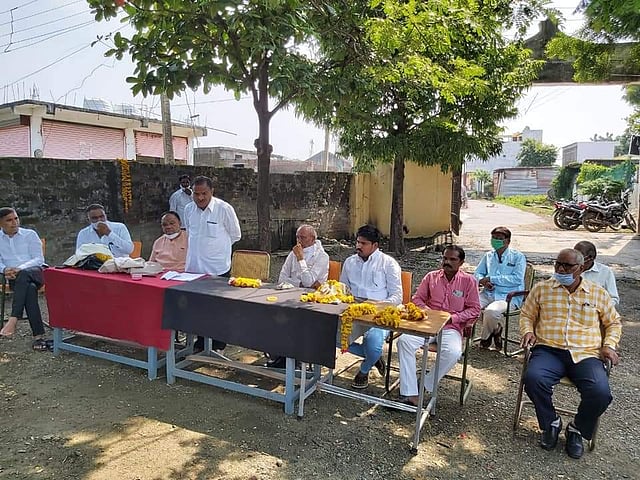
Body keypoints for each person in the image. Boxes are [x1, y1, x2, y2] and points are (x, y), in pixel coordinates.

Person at [520, 248, 621, 460]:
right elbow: (527, 314)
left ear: (581, 268)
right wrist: (528, 331)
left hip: (586, 354)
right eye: (558, 264)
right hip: (549, 349)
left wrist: (609, 345)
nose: (561, 269)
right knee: (533, 378)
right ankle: (551, 423)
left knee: (601, 393)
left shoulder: (597, 293)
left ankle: (577, 429)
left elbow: (613, 323)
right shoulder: (542, 289)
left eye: (567, 266)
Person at [397, 245, 481, 406]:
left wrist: (452, 318)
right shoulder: (431, 277)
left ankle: (424, 385)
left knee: (453, 352)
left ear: (461, 262)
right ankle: (410, 393)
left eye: (452, 259)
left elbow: (475, 309)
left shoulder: (468, 281)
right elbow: (417, 299)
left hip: (451, 327)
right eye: (445, 258)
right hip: (427, 324)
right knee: (404, 341)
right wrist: (428, 312)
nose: (447, 262)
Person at [339, 224, 402, 389]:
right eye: (358, 242)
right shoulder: (349, 262)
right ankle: (374, 358)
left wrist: (375, 306)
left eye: (364, 243)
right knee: (332, 337)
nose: (358, 246)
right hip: (353, 312)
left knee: (373, 345)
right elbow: (343, 289)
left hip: (378, 314)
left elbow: (397, 297)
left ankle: (364, 369)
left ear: (375, 245)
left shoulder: (388, 263)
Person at [183, 175, 241, 351]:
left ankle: (218, 342)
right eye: (196, 194)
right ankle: (201, 341)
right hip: (194, 268)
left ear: (211, 192)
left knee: (217, 307)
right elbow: (189, 233)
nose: (200, 198)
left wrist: (217, 249)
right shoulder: (188, 209)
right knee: (197, 307)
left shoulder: (224, 209)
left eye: (204, 193)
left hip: (217, 268)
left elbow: (235, 235)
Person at [266, 224, 329, 369]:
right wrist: (299, 283)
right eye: (297, 237)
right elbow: (281, 278)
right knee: (272, 316)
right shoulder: (293, 253)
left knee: (294, 323)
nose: (299, 241)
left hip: (310, 301)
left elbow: (308, 282)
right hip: (289, 295)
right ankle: (279, 356)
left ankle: (296, 358)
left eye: (303, 237)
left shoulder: (321, 256)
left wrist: (301, 259)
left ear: (312, 239)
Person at [0, 207, 49, 350]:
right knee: (30, 289)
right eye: (9, 220)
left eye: (16, 218)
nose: (14, 222)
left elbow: (38, 259)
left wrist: (20, 268)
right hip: (15, 278)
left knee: (24, 275)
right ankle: (38, 337)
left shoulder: (30, 234)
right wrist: (5, 269)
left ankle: (13, 318)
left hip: (35, 272)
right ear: (1, 223)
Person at [474, 226, 526, 350]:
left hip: (508, 296)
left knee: (491, 312)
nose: (496, 241)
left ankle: (485, 338)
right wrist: (483, 281)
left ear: (508, 241)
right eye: (494, 238)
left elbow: (517, 279)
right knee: (470, 307)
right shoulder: (488, 255)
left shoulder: (518, 257)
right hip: (488, 293)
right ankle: (496, 329)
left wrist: (492, 279)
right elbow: (478, 273)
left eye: (499, 238)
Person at [573, 241, 619, 306]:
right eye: (574, 254)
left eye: (579, 256)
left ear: (590, 258)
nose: (574, 258)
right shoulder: (569, 269)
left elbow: (614, 298)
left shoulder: (605, 272)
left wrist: (599, 307)